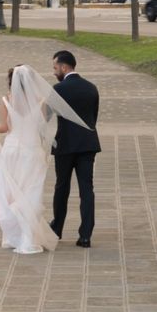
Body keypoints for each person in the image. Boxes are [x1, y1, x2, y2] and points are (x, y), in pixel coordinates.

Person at [0, 64, 90, 254]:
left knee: (13, 191)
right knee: (30, 192)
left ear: (11, 81)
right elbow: (42, 128)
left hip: (12, 151)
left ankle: (15, 236)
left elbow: (4, 128)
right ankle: (28, 237)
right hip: (32, 151)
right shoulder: (40, 101)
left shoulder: (6, 100)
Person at [50, 50, 101, 248]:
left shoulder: (58, 89)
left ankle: (57, 228)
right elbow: (93, 117)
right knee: (86, 189)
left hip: (65, 145)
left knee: (62, 187)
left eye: (55, 68)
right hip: (88, 144)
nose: (54, 72)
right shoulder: (91, 88)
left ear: (64, 67)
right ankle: (85, 235)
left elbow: (45, 115)